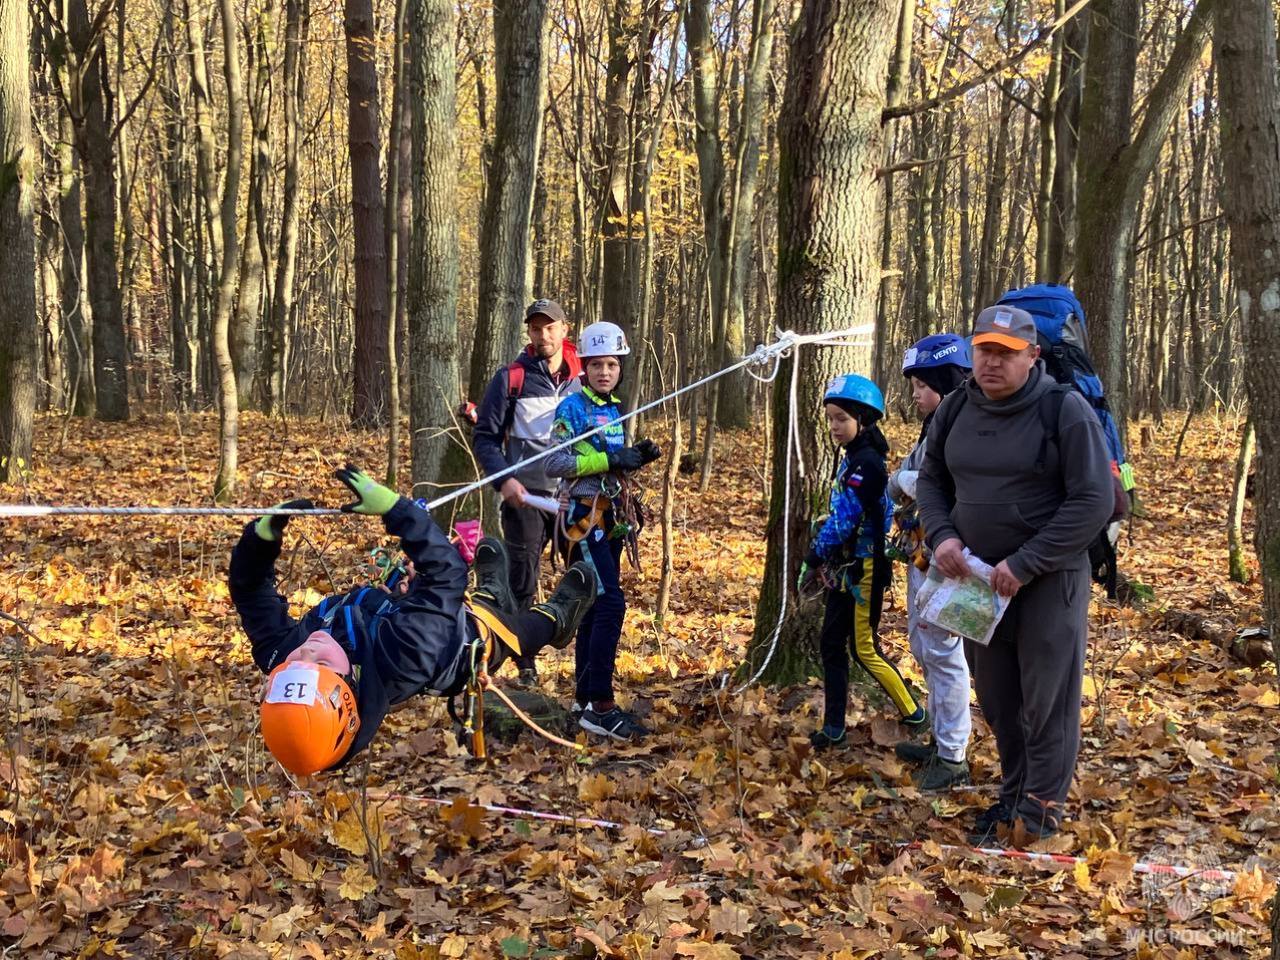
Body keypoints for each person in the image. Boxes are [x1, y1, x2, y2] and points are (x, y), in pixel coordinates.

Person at [229, 465, 598, 776]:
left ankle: (491, 593)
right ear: (351, 684)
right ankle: (557, 619)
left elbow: (250, 593)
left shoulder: (285, 655)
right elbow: (447, 576)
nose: (308, 650)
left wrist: (261, 539)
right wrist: (398, 511)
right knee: (512, 630)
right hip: (460, 649)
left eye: (296, 662)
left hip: (401, 614)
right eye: (322, 665)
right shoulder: (401, 656)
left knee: (483, 602)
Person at [916, 305, 1113, 843]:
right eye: (984, 350)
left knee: (1046, 702)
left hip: (1049, 579)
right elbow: (931, 480)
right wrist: (943, 536)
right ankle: (1013, 798)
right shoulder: (955, 408)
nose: (992, 362)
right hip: (977, 581)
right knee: (999, 698)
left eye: (1006, 353)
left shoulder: (1063, 410)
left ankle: (1040, 814)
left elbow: (1093, 501)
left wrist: (1025, 563)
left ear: (1033, 356)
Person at [545, 321, 662, 741]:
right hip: (584, 520)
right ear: (584, 367)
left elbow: (607, 462)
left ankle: (584, 700)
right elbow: (555, 463)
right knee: (611, 604)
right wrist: (610, 460)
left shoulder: (613, 408)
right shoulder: (572, 408)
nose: (605, 372)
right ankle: (601, 704)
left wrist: (633, 458)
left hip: (610, 517)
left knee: (595, 608)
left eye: (612, 364)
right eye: (596, 365)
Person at [797, 374, 927, 750]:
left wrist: (813, 557)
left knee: (864, 648)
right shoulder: (854, 458)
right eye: (830, 419)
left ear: (863, 419)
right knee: (831, 643)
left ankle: (914, 713)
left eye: (842, 418)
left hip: (865, 569)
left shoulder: (866, 464)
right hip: (847, 567)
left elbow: (846, 519)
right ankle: (834, 727)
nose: (834, 426)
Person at [472, 298, 583, 685]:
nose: (543, 335)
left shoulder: (584, 377)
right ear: (529, 332)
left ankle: (586, 663)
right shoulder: (511, 378)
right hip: (527, 496)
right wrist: (505, 481)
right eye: (536, 328)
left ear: (565, 329)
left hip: (576, 495)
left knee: (587, 574)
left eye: (550, 327)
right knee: (522, 581)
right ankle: (526, 664)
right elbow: (485, 438)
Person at [888, 334, 973, 791]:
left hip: (950, 552)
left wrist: (902, 480)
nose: (916, 395)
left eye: (923, 385)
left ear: (945, 380)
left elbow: (937, 481)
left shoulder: (964, 423)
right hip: (922, 550)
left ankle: (954, 755)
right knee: (923, 646)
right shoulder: (936, 424)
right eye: (914, 386)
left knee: (943, 651)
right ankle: (941, 739)